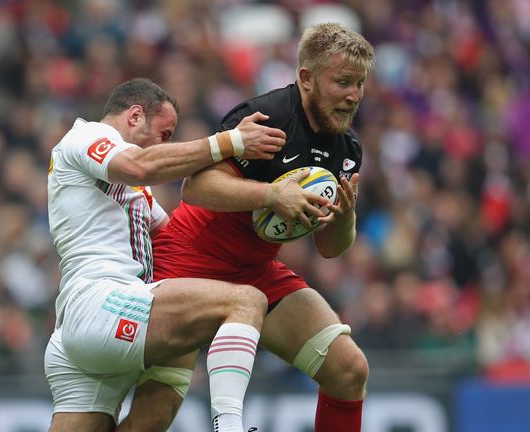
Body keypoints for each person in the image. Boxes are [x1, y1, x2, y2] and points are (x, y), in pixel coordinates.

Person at [152, 23, 375, 431]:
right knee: (154, 414)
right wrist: (271, 195)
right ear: (306, 78)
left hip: (255, 275)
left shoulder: (348, 150)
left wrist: (344, 219)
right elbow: (196, 188)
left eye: (360, 84)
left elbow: (330, 247)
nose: (354, 95)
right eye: (343, 82)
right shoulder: (268, 117)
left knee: (348, 370)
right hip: (185, 263)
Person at [45, 78, 287, 432]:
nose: (166, 144)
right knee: (245, 302)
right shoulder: (84, 137)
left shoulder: (135, 194)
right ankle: (230, 426)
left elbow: (176, 242)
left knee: (161, 397)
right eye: (164, 133)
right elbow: (140, 165)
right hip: (100, 304)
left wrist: (263, 208)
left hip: (87, 324)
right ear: (134, 115)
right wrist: (230, 142)